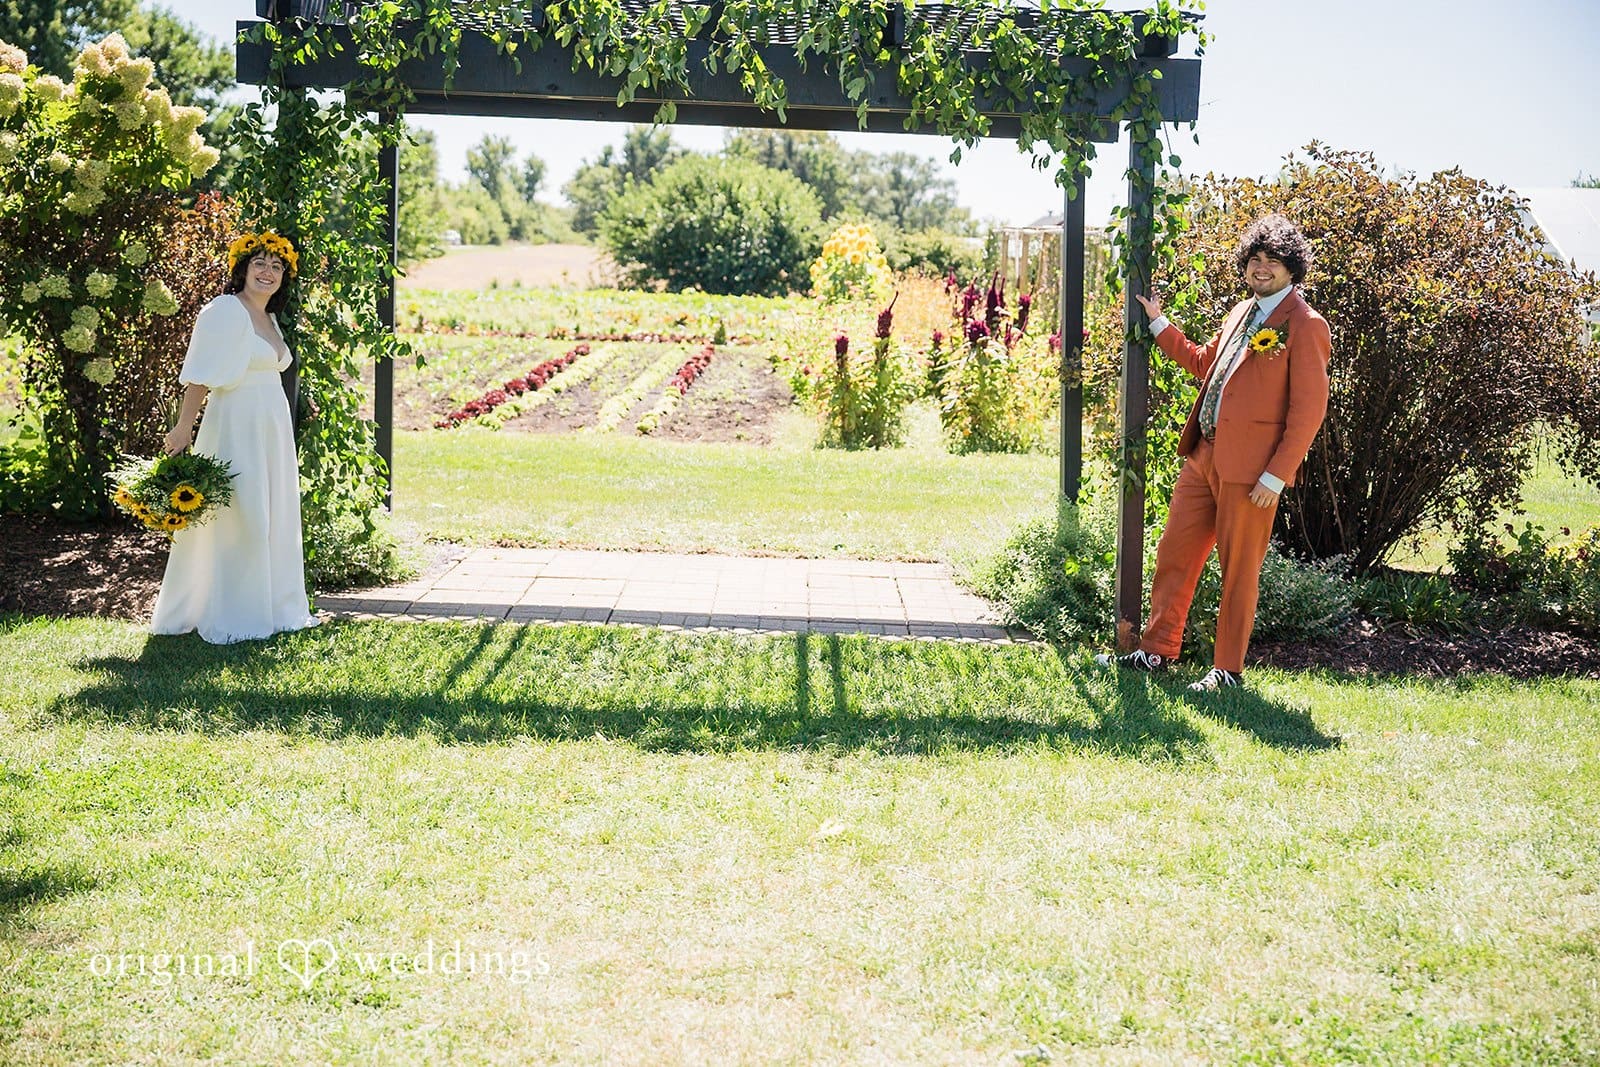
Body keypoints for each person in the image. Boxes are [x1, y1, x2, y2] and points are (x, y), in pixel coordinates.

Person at [1097, 214, 1331, 691]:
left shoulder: (1305, 325)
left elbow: (1309, 410)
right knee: (1174, 554)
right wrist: (1159, 321)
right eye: (1254, 259)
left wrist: (1276, 475)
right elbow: (1205, 363)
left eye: (1272, 261)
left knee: (1238, 572)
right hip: (1203, 458)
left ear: (1292, 269)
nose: (1261, 268)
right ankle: (1156, 652)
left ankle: (1227, 671)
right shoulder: (1241, 313)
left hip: (1251, 474)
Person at [149, 232, 320, 644]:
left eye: (277, 266)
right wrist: (183, 426)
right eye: (259, 263)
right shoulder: (226, 310)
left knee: (272, 512)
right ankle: (234, 612)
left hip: (271, 431)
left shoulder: (271, 319)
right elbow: (200, 375)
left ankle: (276, 606)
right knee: (241, 514)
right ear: (242, 269)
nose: (268, 272)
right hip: (235, 427)